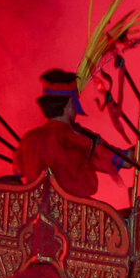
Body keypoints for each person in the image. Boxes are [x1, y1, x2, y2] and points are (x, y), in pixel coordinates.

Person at [15, 69, 123, 198]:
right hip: (75, 214)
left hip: (38, 214)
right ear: (70, 104)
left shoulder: (29, 139)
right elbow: (125, 161)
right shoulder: (79, 138)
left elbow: (18, 171)